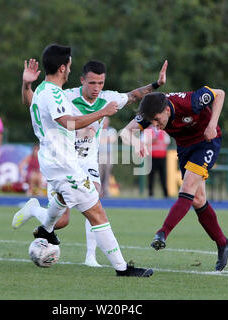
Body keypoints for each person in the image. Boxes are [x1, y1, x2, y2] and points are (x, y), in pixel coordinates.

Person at [12, 44, 153, 277]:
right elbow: (67, 121)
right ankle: (122, 268)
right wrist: (102, 113)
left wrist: (26, 84)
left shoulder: (43, 91)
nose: (70, 69)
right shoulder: (54, 93)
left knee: (60, 208)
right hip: (64, 165)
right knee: (97, 214)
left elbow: (30, 102)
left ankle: (42, 223)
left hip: (52, 162)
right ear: (62, 68)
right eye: (68, 65)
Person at [121, 87, 228, 272]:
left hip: (206, 143)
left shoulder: (190, 101)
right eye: (151, 122)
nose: (155, 126)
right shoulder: (152, 110)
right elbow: (125, 132)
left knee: (187, 188)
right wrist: (136, 142)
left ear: (167, 110)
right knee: (197, 200)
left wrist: (212, 124)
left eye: (157, 120)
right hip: (184, 149)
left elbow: (220, 93)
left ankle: (162, 233)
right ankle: (224, 244)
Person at [145, 126, 171, 198]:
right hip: (151, 157)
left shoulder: (163, 130)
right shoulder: (148, 130)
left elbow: (167, 141)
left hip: (162, 156)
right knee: (151, 176)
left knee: (163, 176)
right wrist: (152, 141)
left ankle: (165, 194)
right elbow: (143, 141)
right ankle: (150, 194)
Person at [98, 117, 118, 198]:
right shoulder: (98, 129)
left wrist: (102, 139)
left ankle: (106, 191)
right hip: (98, 155)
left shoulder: (111, 130)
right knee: (98, 174)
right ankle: (98, 191)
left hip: (108, 155)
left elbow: (112, 139)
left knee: (107, 174)